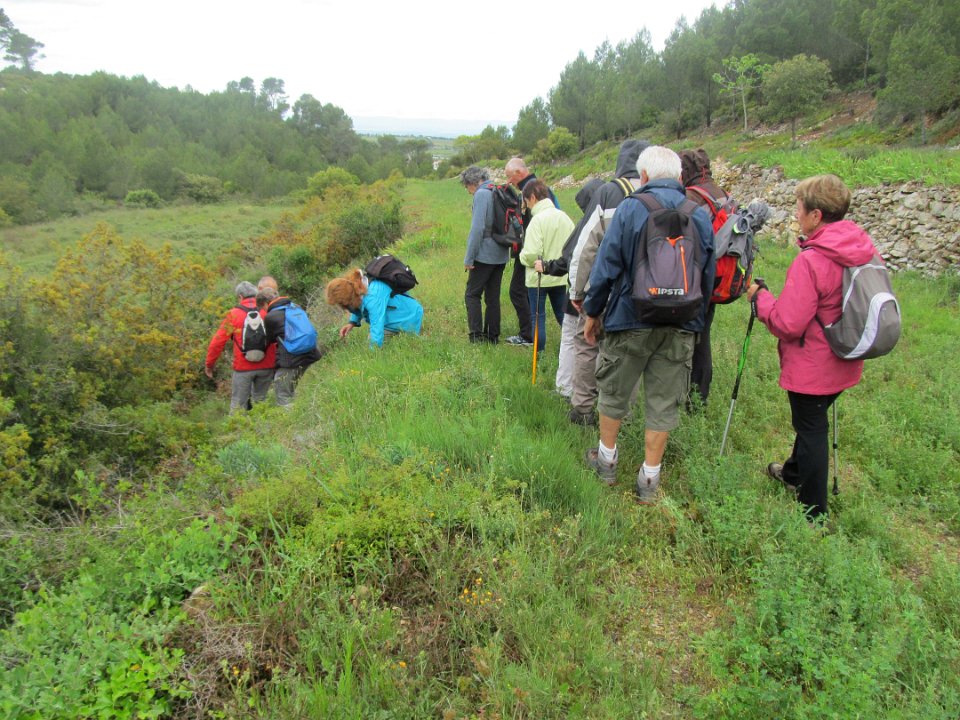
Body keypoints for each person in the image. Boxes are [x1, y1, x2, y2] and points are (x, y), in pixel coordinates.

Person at [581, 146, 715, 502]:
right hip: (680, 324)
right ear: (679, 177)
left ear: (643, 176)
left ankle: (606, 462)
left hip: (630, 318)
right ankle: (649, 480)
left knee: (614, 392)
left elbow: (606, 265)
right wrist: (695, 322)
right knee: (663, 401)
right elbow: (708, 276)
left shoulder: (631, 208)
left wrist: (593, 312)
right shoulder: (698, 215)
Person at [746, 174, 877, 520]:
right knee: (811, 423)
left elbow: (788, 323)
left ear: (816, 215)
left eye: (799, 207)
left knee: (812, 429)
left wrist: (761, 299)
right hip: (846, 354)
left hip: (814, 365)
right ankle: (792, 473)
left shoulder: (812, 260)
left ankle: (813, 512)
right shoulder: (860, 247)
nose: (796, 213)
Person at [550, 139, 648, 425]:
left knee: (587, 343)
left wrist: (577, 291)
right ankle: (622, 415)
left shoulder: (610, 192)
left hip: (604, 289)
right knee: (630, 353)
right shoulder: (661, 194)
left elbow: (586, 247)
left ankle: (582, 409)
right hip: (644, 293)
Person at [680, 148, 731, 407]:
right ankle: (699, 397)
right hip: (717, 277)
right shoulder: (721, 193)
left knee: (689, 339)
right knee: (703, 335)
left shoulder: (691, 196)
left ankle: (691, 397)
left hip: (694, 279)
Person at [554, 178, 604, 399]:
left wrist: (576, 292)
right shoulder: (617, 214)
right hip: (604, 292)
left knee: (573, 340)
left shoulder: (588, 223)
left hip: (580, 292)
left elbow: (570, 257)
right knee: (599, 344)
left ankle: (567, 389)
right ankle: (597, 391)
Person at [504, 157, 559, 347]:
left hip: (534, 252)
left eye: (510, 177)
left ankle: (528, 336)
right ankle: (532, 335)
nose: (509, 181)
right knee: (528, 294)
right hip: (536, 250)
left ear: (519, 173)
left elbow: (547, 219)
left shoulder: (532, 190)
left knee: (517, 291)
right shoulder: (536, 187)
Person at [204, 281, 277, 412]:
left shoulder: (233, 314)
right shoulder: (266, 311)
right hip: (267, 365)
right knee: (261, 403)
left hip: (243, 367)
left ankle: (237, 426)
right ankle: (261, 425)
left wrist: (209, 364)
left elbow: (217, 342)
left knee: (238, 405)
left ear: (240, 297)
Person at [518, 180, 574, 351]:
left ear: (532, 198)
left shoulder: (537, 220)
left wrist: (522, 257)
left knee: (538, 318)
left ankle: (539, 356)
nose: (527, 206)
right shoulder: (564, 217)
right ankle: (575, 349)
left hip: (538, 279)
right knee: (563, 316)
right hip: (560, 276)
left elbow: (532, 254)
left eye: (526, 202)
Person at [461, 166, 510, 343]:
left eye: (466, 186)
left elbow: (477, 229)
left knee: (472, 294)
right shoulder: (496, 189)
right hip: (501, 252)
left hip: (485, 254)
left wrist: (469, 258)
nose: (468, 191)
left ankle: (476, 336)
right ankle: (492, 336)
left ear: (472, 182)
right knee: (492, 296)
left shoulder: (481, 194)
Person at [325, 267, 424, 348]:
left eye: (341, 303)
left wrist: (372, 356)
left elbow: (377, 326)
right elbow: (359, 305)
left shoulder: (373, 297)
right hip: (392, 317)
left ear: (348, 299)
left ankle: (417, 332)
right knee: (372, 341)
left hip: (408, 316)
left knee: (410, 345)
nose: (342, 307)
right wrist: (352, 323)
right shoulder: (356, 286)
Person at [259, 286, 323, 407]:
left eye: (262, 307)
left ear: (265, 303)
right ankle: (303, 410)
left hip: (291, 358)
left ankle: (293, 417)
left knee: (282, 393)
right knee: (292, 389)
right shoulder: (295, 307)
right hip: (310, 353)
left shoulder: (270, 316)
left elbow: (270, 339)